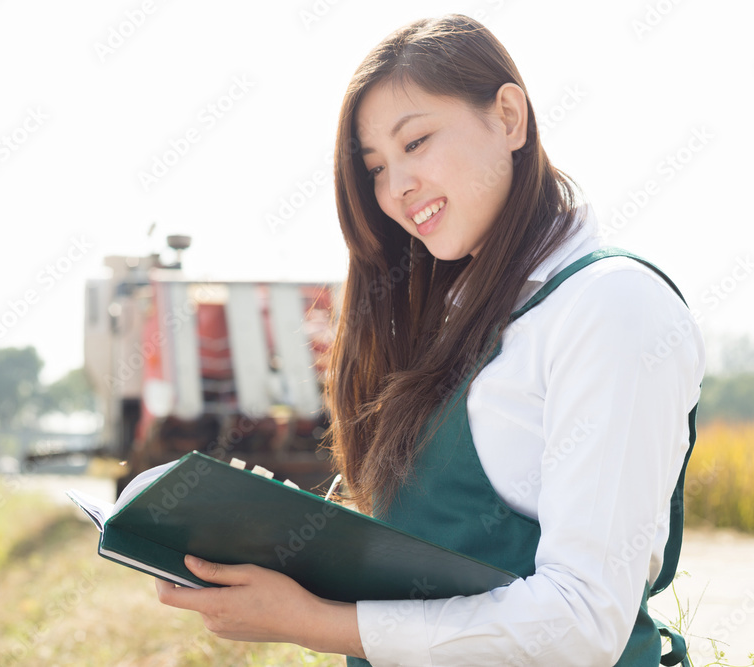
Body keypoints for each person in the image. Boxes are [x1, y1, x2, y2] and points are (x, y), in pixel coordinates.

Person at [154, 13, 704, 666]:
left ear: (509, 118)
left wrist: (315, 622)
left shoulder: (611, 306)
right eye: (377, 167)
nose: (395, 188)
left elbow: (581, 623)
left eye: (415, 142)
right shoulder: (454, 313)